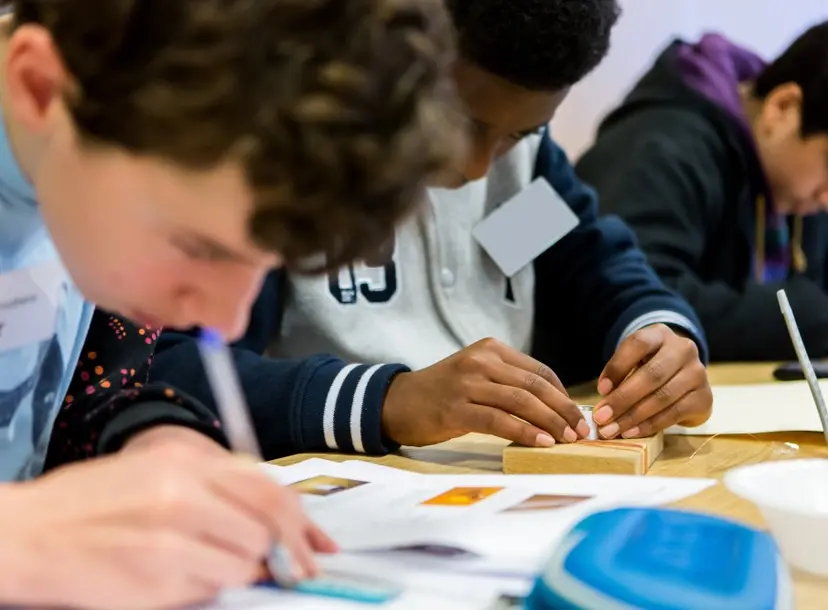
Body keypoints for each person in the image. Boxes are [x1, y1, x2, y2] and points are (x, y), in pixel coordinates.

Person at [0, 0, 460, 607]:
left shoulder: (83, 180)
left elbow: (74, 397)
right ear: (39, 88)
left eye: (264, 266)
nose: (227, 320)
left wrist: (153, 439)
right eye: (200, 247)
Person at [151, 0, 713, 461]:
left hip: (506, 486)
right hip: (342, 490)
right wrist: (389, 400)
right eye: (461, 123)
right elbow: (181, 370)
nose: (476, 167)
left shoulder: (515, 169)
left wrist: (661, 338)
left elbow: (596, 269)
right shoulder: (296, 157)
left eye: (518, 135)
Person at [576, 23, 828, 362]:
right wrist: (809, 318)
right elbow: (631, 295)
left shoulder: (796, 188)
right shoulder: (658, 146)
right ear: (782, 107)